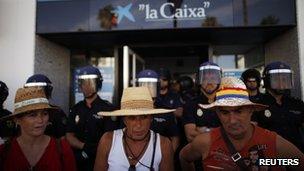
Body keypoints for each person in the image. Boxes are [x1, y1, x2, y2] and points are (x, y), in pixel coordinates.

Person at [179, 77, 304, 170]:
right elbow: (184, 157)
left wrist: (271, 162)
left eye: (239, 111)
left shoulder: (273, 142)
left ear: (251, 111)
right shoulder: (205, 142)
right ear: (217, 113)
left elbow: (296, 162)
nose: (232, 120)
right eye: (225, 112)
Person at [94, 87, 174, 171]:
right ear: (124, 120)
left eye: (144, 117)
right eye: (132, 118)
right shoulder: (108, 140)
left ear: (151, 118)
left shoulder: (163, 145)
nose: (138, 124)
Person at [0, 87, 76, 170]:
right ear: (17, 120)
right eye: (32, 115)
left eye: (44, 113)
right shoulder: (4, 152)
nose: (40, 120)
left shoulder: (63, 149)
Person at [66, 65, 119, 171]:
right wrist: (84, 146)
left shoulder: (108, 109)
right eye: (83, 83)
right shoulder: (76, 109)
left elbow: (112, 138)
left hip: (103, 160)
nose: (86, 86)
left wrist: (96, 150)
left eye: (90, 82)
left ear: (98, 84)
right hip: (78, 161)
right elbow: (69, 135)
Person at [254, 61, 304, 152]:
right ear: (267, 80)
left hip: (296, 156)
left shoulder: (297, 104)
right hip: (269, 156)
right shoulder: (257, 105)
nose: (281, 83)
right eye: (276, 79)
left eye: (285, 79)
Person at [137, 69, 180, 153]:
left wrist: (168, 157)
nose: (148, 89)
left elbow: (175, 137)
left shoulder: (165, 111)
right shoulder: (128, 112)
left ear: (157, 87)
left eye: (151, 86)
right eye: (144, 85)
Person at [183, 62, 222, 142]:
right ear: (199, 81)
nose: (209, 82)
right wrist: (219, 133)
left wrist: (204, 131)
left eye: (213, 79)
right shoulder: (190, 105)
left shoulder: (225, 103)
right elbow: (190, 135)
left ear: (219, 80)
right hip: (198, 153)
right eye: (205, 79)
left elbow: (232, 133)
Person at [24, 74, 67, 139]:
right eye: (32, 90)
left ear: (48, 91)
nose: (36, 93)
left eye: (40, 90)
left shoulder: (56, 112)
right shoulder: (22, 112)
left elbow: (62, 138)